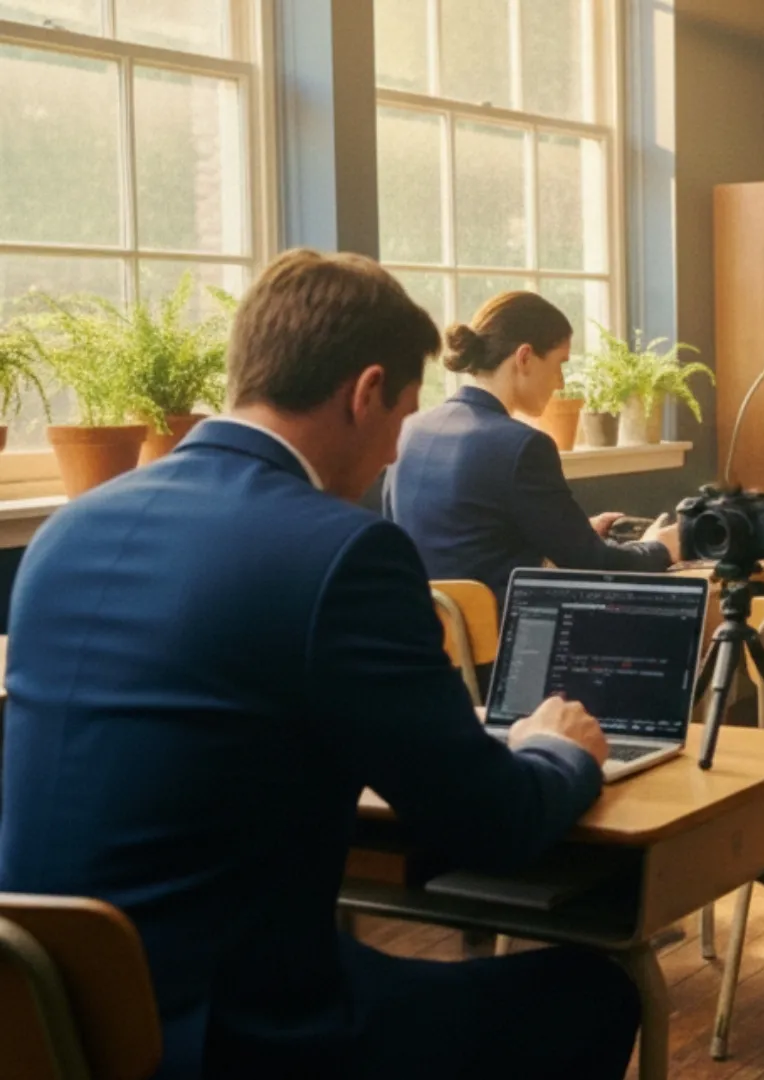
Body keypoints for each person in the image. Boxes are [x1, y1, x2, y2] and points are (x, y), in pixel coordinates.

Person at [0, 250, 641, 1078]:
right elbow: (490, 825)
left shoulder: (66, 533)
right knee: (594, 992)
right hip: (234, 1037)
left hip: (51, 1019)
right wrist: (557, 747)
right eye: (403, 420)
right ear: (365, 391)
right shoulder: (346, 554)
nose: (390, 458)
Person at [384, 290, 678, 609]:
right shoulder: (523, 446)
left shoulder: (408, 430)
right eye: (559, 364)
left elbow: (466, 543)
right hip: (504, 648)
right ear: (524, 357)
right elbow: (595, 564)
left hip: (423, 638)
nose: (561, 383)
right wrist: (658, 547)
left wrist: (572, 533)